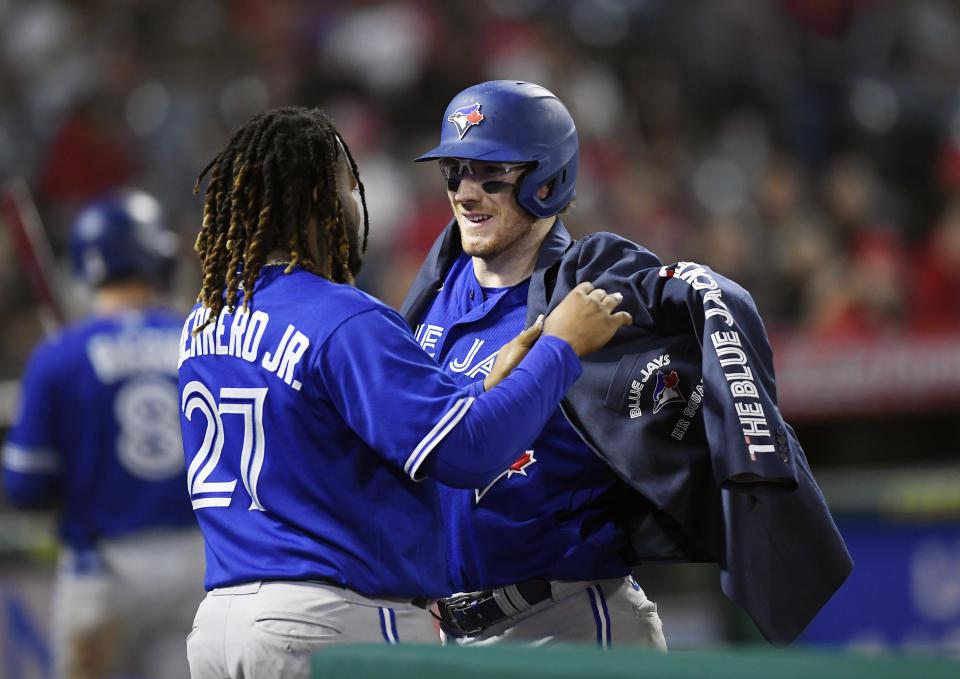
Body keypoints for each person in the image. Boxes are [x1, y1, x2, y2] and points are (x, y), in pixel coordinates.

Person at [178, 106, 632, 678]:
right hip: (328, 622)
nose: (354, 201)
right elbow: (465, 452)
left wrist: (489, 380)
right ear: (320, 201)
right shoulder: (342, 318)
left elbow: (333, 432)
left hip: (221, 623)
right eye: (347, 186)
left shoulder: (204, 322)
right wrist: (559, 348)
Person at [401, 80, 853, 647]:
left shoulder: (590, 295)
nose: (466, 192)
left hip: (565, 623)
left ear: (547, 178)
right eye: (454, 170)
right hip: (449, 636)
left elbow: (702, 317)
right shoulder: (432, 295)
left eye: (491, 171)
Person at [2, 189, 206, 679]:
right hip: (196, 563)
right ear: (153, 256)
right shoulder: (199, 339)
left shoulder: (60, 356)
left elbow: (25, 486)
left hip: (104, 569)